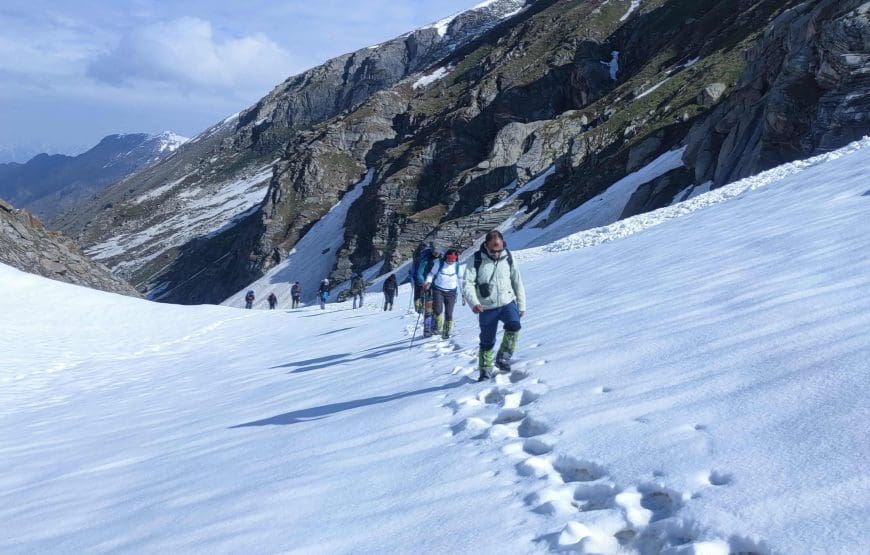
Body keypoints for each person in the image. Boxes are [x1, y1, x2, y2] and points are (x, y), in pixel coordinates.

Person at [463, 230, 526, 381]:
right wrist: (474, 303)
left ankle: (503, 357)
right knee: (487, 340)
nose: (496, 253)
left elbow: (517, 281)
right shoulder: (476, 260)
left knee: (514, 325)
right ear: (486, 245)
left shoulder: (508, 257)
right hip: (486, 307)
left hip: (507, 302)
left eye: (499, 249)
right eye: (493, 250)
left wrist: (521, 305)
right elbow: (468, 284)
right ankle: (485, 369)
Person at [423, 249, 464, 339]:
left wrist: (463, 294)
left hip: (451, 292)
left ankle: (446, 332)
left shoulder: (457, 266)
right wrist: (428, 282)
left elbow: (461, 279)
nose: (451, 261)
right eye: (450, 258)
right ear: (446, 257)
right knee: (438, 310)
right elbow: (431, 274)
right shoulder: (439, 264)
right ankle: (436, 327)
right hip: (438, 290)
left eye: (454, 258)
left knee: (449, 313)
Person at [412, 243, 442, 313]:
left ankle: (430, 313)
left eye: (437, 252)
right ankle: (423, 311)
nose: (436, 253)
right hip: (425, 282)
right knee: (427, 300)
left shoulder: (442, 259)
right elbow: (419, 273)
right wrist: (423, 283)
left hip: (435, 283)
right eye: (435, 252)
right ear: (432, 251)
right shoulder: (425, 260)